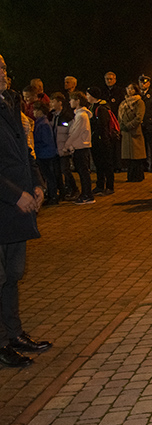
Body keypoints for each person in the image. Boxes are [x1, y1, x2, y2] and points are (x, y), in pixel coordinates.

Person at [0, 53, 53, 368]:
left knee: (12, 276)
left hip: (16, 209)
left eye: (4, 67)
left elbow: (24, 151)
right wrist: (13, 194)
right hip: (6, 204)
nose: (3, 73)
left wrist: (37, 184)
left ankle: (14, 334)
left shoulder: (10, 103)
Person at [63, 91, 93, 204]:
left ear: (78, 101)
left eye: (72, 100)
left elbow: (75, 132)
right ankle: (86, 194)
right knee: (82, 172)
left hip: (81, 147)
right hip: (79, 146)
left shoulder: (81, 116)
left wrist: (67, 145)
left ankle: (87, 195)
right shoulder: (79, 115)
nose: (70, 102)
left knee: (83, 172)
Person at [49, 92, 78, 200]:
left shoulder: (67, 116)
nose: (51, 104)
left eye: (53, 101)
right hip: (55, 148)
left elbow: (71, 132)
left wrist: (68, 146)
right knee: (57, 171)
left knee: (65, 170)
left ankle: (74, 189)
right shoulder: (52, 115)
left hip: (63, 148)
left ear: (60, 102)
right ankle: (62, 192)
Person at [86, 87, 114, 195]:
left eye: (88, 94)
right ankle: (100, 185)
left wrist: (102, 138)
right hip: (95, 140)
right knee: (98, 164)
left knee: (106, 164)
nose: (87, 97)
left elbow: (103, 126)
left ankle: (110, 186)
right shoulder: (91, 107)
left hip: (102, 140)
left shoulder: (101, 108)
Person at [32, 101, 59, 205]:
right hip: (44, 152)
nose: (33, 112)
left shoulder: (43, 124)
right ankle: (51, 194)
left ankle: (53, 196)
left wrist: (36, 143)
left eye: (35, 110)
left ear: (40, 111)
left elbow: (45, 140)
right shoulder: (41, 122)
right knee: (47, 175)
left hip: (45, 153)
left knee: (49, 176)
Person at [119, 82, 146, 182]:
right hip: (125, 132)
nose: (129, 90)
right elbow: (120, 116)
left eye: (132, 89)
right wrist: (121, 125)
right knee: (129, 156)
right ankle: (130, 176)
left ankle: (138, 176)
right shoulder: (124, 102)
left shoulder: (139, 102)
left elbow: (139, 117)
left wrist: (129, 125)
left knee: (136, 155)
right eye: (128, 88)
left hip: (134, 131)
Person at [102, 71, 124, 173]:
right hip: (106, 119)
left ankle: (118, 165)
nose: (109, 81)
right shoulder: (103, 91)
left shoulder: (119, 91)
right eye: (107, 79)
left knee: (117, 144)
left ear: (115, 80)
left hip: (116, 119)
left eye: (111, 79)